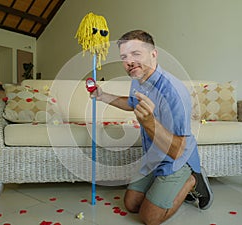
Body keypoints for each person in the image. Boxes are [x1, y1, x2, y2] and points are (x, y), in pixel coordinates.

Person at [91, 30, 213, 225]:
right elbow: (132, 103)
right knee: (131, 204)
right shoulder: (139, 80)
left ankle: (192, 180)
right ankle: (168, 186)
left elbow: (177, 150)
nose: (129, 61)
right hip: (154, 155)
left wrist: (149, 122)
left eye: (136, 54)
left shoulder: (173, 92)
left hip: (178, 158)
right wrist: (102, 96)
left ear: (153, 54)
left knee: (149, 218)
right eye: (124, 57)